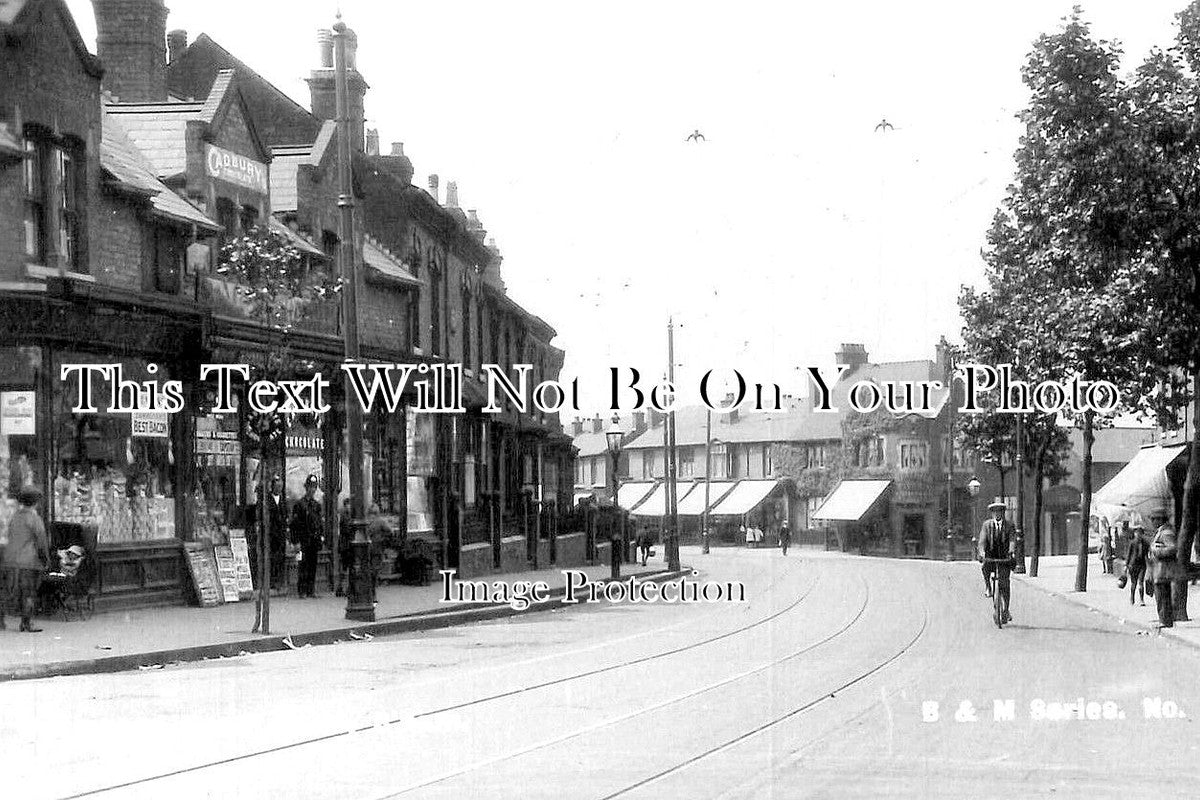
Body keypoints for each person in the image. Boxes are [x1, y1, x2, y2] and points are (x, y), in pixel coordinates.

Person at [1, 486, 49, 632]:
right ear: (35, 502)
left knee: (6, 592)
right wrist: (45, 560)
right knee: (28, 592)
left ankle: (1, 620)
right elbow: (41, 542)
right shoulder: (34, 519)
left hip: (9, 559)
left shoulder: (14, 517)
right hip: (28, 561)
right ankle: (26, 623)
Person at [977, 500, 1017, 623]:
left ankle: (1006, 609)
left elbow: (1012, 540)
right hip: (991, 556)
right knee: (985, 568)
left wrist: (1011, 551)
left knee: (1005, 584)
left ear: (1003, 513)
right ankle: (988, 587)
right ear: (992, 514)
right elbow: (982, 540)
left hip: (1004, 557)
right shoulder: (987, 525)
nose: (997, 514)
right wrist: (982, 552)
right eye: (995, 512)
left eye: (999, 512)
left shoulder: (1009, 525)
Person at [1146, 505, 1183, 628]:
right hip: (1159, 570)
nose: (1152, 522)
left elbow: (1172, 548)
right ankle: (1163, 619)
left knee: (1163, 597)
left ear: (1160, 519)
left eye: (1153, 519)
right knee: (1160, 597)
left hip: (1164, 570)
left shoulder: (1166, 533)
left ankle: (1165, 620)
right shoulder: (1160, 532)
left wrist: (1157, 551)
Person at [289, 475, 324, 598]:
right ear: (306, 487)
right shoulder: (299, 505)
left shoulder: (316, 505)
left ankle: (311, 590)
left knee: (312, 565)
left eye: (314, 487)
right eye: (310, 487)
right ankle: (302, 590)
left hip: (313, 541)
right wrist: (295, 541)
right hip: (302, 541)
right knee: (302, 565)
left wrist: (320, 537)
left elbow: (319, 523)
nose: (312, 490)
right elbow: (294, 525)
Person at [1124, 525, 1149, 606]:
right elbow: (1128, 554)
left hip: (1142, 564)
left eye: (1140, 533)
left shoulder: (1145, 543)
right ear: (1134, 534)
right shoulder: (1132, 543)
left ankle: (1141, 600)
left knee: (1141, 582)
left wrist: (1149, 563)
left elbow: (1148, 554)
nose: (1138, 535)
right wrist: (1126, 565)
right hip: (1133, 565)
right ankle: (1132, 597)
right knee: (1133, 583)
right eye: (1137, 533)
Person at [335, 497, 353, 596]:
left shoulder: (345, 515)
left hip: (345, 545)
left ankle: (342, 587)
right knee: (346, 567)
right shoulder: (346, 515)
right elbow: (347, 529)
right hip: (346, 545)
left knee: (345, 567)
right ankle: (343, 588)